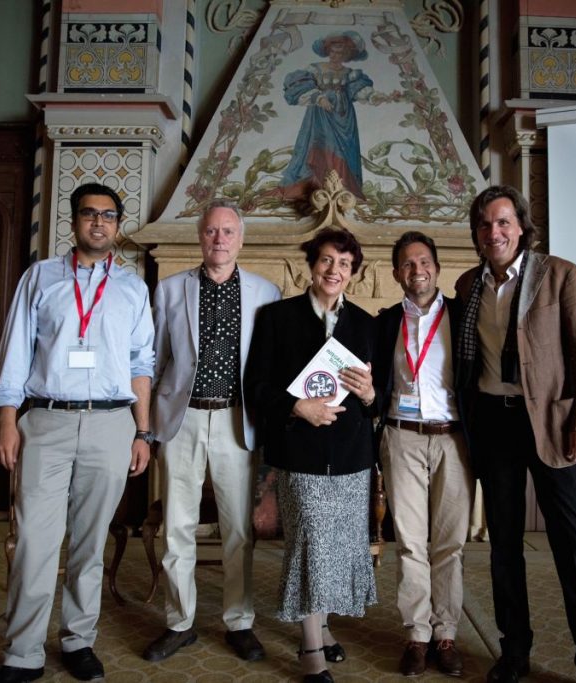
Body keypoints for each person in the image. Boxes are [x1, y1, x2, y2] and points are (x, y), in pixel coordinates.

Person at [0, 182, 155, 683]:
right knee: (35, 543)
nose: (99, 223)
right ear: (74, 221)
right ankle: (22, 653)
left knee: (89, 544)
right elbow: (16, 349)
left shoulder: (132, 287)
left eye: (108, 216)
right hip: (45, 422)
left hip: (111, 425)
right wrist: (7, 419)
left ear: (118, 225)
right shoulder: (40, 278)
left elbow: (141, 362)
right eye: (89, 214)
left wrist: (142, 433)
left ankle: (78, 640)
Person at [454, 185, 576, 683]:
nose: (493, 231)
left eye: (503, 222)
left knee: (573, 545)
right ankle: (514, 652)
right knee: (504, 546)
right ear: (476, 234)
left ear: (521, 226)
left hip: (552, 425)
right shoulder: (466, 286)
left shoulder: (560, 275)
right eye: (484, 224)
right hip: (493, 424)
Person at [142, 198, 281, 663]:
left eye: (227, 232)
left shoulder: (266, 293)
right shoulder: (168, 290)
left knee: (238, 527)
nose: (218, 239)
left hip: (235, 421)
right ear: (199, 237)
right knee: (176, 526)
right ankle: (179, 622)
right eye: (210, 232)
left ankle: (239, 622)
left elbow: (270, 367)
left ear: (240, 239)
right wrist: (144, 428)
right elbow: (155, 361)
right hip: (180, 420)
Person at [244, 227, 378, 683]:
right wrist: (297, 405)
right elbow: (256, 387)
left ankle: (322, 629)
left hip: (351, 459)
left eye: (343, 264)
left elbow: (378, 399)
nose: (333, 270)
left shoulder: (366, 323)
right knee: (311, 547)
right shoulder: (277, 317)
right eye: (326, 260)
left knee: (338, 550)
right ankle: (310, 649)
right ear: (311, 264)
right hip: (299, 455)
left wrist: (370, 393)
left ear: (353, 272)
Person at [372, 231, 473, 677]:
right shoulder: (383, 322)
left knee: (450, 543)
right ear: (397, 273)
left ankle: (446, 633)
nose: (418, 270)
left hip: (454, 439)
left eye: (424, 261)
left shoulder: (464, 315)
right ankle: (417, 635)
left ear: (437, 266)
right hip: (402, 437)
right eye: (408, 264)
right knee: (411, 542)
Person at [279, 31, 388, 201]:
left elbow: (359, 91)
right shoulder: (315, 69)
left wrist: (375, 96)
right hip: (320, 115)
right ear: (328, 51)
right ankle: (317, 186)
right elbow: (298, 86)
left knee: (345, 151)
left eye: (340, 53)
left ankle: (344, 189)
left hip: (344, 117)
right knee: (322, 145)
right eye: (333, 51)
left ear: (346, 54)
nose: (335, 55)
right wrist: (318, 97)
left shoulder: (350, 73)